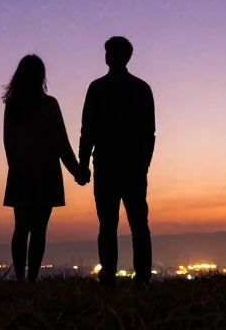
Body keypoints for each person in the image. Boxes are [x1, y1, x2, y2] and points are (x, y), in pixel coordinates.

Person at [2, 54, 89, 282]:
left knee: (21, 228)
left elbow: (8, 142)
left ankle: (21, 279)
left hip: (20, 171)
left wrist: (16, 166)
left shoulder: (13, 106)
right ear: (41, 76)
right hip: (45, 172)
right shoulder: (49, 104)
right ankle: (31, 280)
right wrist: (77, 171)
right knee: (39, 229)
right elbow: (61, 142)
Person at [79, 36, 155, 287]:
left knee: (107, 225)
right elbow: (149, 133)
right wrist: (145, 163)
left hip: (106, 166)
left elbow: (87, 130)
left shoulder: (97, 88)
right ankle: (142, 279)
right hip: (133, 166)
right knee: (139, 225)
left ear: (108, 57)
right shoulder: (142, 88)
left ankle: (108, 278)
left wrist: (83, 163)